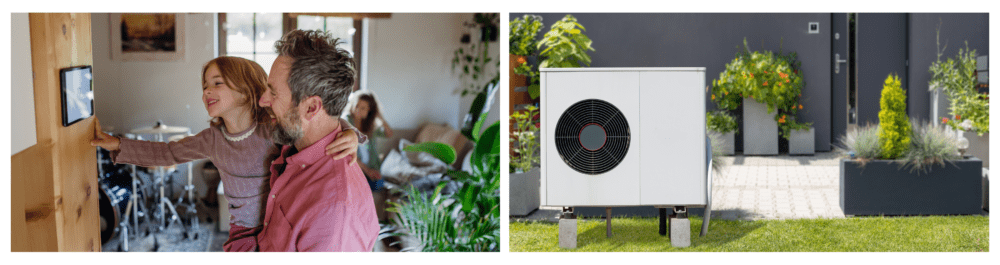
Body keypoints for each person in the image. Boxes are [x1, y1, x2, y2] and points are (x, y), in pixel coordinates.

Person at [90, 56, 364, 252]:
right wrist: (117, 144)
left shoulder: (271, 128)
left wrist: (351, 133)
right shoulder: (212, 140)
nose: (206, 91)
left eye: (217, 83)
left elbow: (314, 124)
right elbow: (166, 153)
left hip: (278, 227)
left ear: (245, 91)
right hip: (242, 233)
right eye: (204, 86)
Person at [256, 29, 378, 252]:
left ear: (312, 108)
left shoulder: (334, 214)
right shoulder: (295, 143)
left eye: (273, 93)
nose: (263, 100)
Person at [343, 91, 393, 191]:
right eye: (357, 105)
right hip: (355, 168)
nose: (358, 109)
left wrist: (380, 117)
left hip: (371, 167)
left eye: (363, 108)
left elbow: (389, 134)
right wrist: (367, 171)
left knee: (379, 184)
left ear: (369, 111)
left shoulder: (370, 126)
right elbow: (348, 153)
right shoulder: (346, 122)